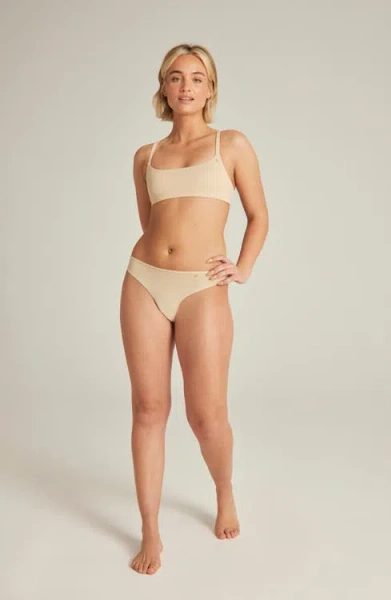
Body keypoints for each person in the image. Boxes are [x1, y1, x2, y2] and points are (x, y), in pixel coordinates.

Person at [119, 43, 269, 575]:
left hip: (202, 286)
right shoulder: (145, 156)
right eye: (176, 77)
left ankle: (224, 491)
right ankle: (150, 530)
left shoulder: (231, 144)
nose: (186, 86)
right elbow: (150, 224)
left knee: (206, 415)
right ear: (164, 87)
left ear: (210, 89)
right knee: (147, 408)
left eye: (197, 78)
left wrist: (242, 267)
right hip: (143, 279)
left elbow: (258, 215)